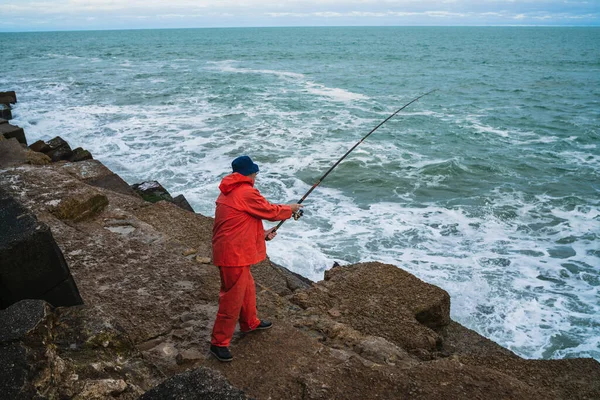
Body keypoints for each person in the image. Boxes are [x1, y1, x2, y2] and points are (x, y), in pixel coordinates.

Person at [210, 155, 302, 362]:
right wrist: (291, 209)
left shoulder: (230, 191)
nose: (256, 176)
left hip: (232, 249)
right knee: (231, 300)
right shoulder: (246, 192)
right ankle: (218, 343)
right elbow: (270, 211)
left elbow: (238, 223)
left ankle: (250, 322)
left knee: (247, 289)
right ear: (248, 174)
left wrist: (262, 234)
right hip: (232, 254)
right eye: (254, 173)